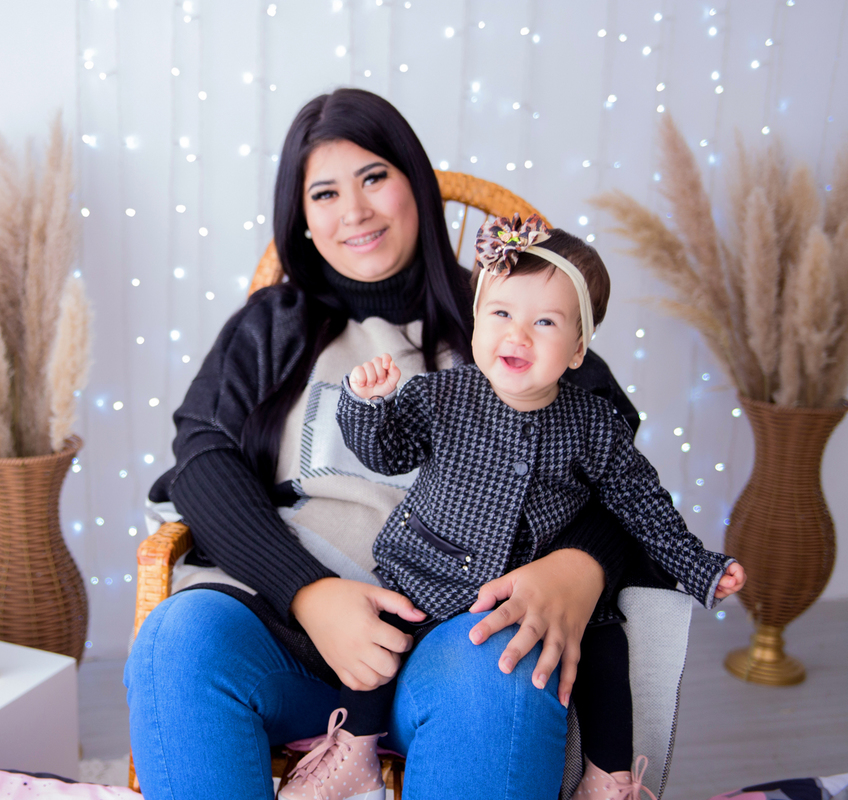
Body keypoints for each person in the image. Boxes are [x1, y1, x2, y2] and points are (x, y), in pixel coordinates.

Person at [125, 88, 648, 800]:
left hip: (455, 641)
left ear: (417, 185)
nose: (355, 211)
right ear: (302, 222)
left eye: (374, 177)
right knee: (175, 644)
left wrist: (579, 568)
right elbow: (203, 459)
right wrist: (309, 595)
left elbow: (622, 473)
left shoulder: (512, 320)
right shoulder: (273, 325)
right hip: (295, 640)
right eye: (325, 193)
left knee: (504, 669)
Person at [290, 217, 745, 800]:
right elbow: (388, 451)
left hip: (527, 587)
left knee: (607, 645)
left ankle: (609, 779)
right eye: (501, 314)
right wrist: (366, 405)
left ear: (578, 347)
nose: (518, 335)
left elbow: (642, 503)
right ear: (476, 321)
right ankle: (354, 748)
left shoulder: (592, 423)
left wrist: (699, 565)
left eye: (545, 322)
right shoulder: (441, 395)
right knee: (380, 634)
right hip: (428, 565)